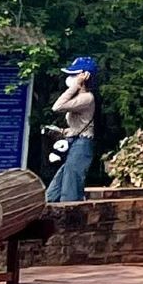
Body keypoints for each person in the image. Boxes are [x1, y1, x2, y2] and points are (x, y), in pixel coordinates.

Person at [45, 56, 99, 203]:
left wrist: (76, 86)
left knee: (71, 182)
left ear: (85, 76)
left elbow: (58, 106)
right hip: (74, 141)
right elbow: (78, 126)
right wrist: (63, 131)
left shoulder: (87, 98)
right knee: (60, 180)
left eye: (74, 75)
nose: (70, 78)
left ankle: (69, 212)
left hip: (82, 144)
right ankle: (47, 204)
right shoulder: (80, 98)